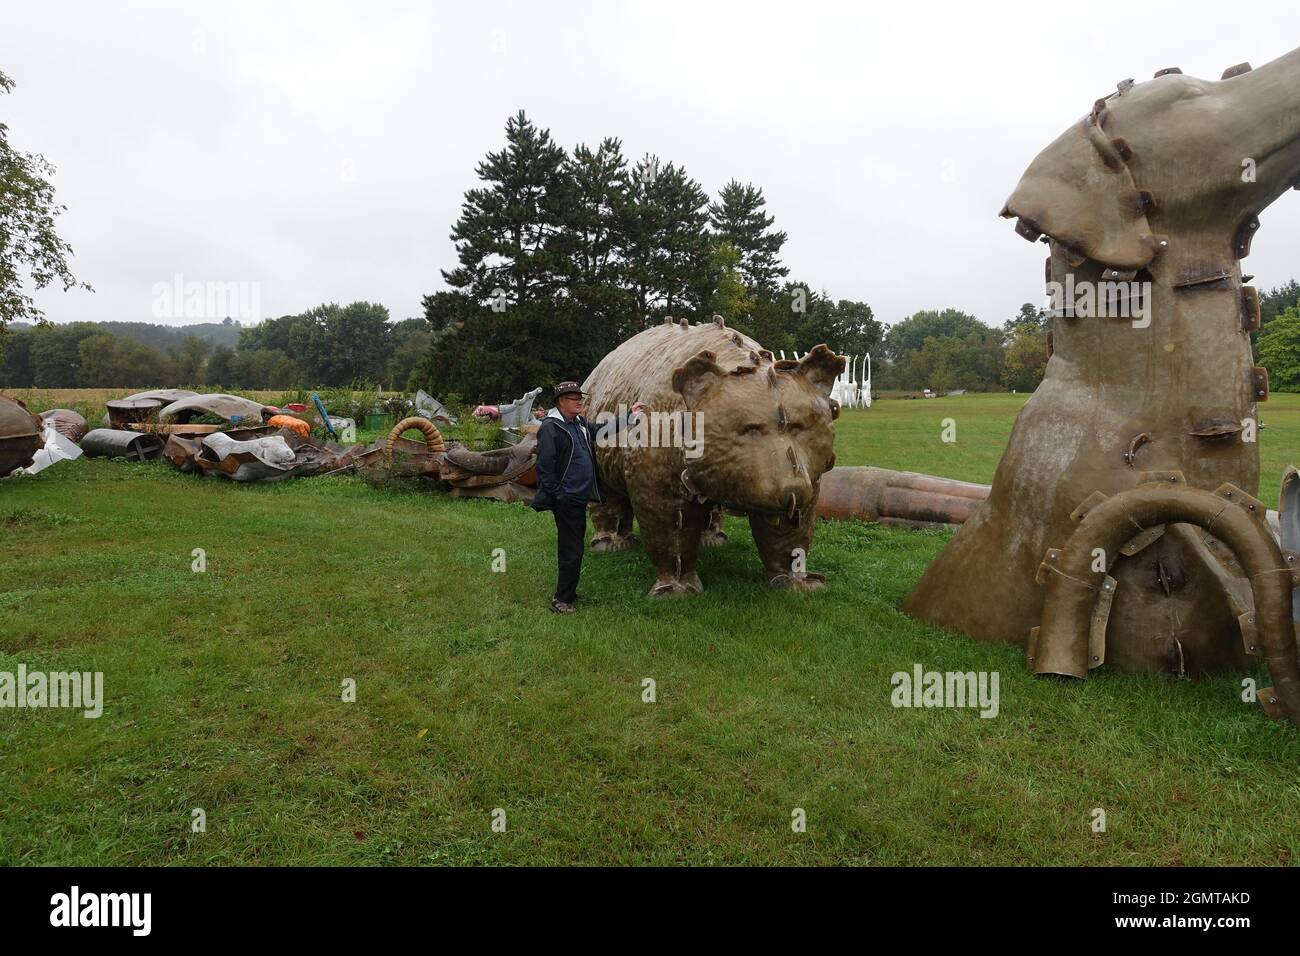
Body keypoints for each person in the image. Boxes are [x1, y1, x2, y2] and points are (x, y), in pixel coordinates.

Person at [532, 382, 644, 613]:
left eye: (580, 397)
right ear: (561, 401)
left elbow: (602, 429)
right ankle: (561, 600)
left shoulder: (579, 423)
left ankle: (568, 591)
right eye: (574, 398)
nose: (580, 401)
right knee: (571, 549)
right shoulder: (551, 428)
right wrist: (559, 495)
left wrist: (629, 415)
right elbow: (544, 468)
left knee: (574, 548)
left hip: (579, 497)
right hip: (568, 499)